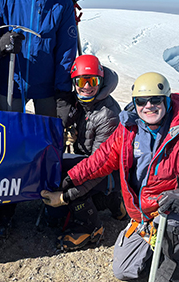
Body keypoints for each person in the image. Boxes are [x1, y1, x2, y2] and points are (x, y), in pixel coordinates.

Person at [42, 72, 179, 281]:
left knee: (169, 230)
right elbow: (101, 160)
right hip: (145, 213)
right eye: (141, 101)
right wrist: (70, 178)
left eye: (156, 100)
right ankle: (156, 243)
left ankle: (177, 264)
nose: (148, 106)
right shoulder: (128, 130)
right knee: (124, 271)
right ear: (135, 103)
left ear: (167, 99)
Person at [0, 0, 79, 238]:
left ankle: (51, 200)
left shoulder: (60, 1)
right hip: (12, 81)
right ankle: (5, 204)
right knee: (7, 143)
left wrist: (65, 91)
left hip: (47, 85)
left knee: (49, 143)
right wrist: (0, 44)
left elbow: (66, 48)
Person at [41, 54, 127, 251]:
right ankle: (113, 202)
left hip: (106, 172)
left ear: (101, 81)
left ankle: (91, 227)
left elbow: (98, 168)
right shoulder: (85, 103)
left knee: (63, 177)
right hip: (98, 166)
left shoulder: (107, 116)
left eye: (92, 81)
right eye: (81, 81)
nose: (87, 86)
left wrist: (65, 196)